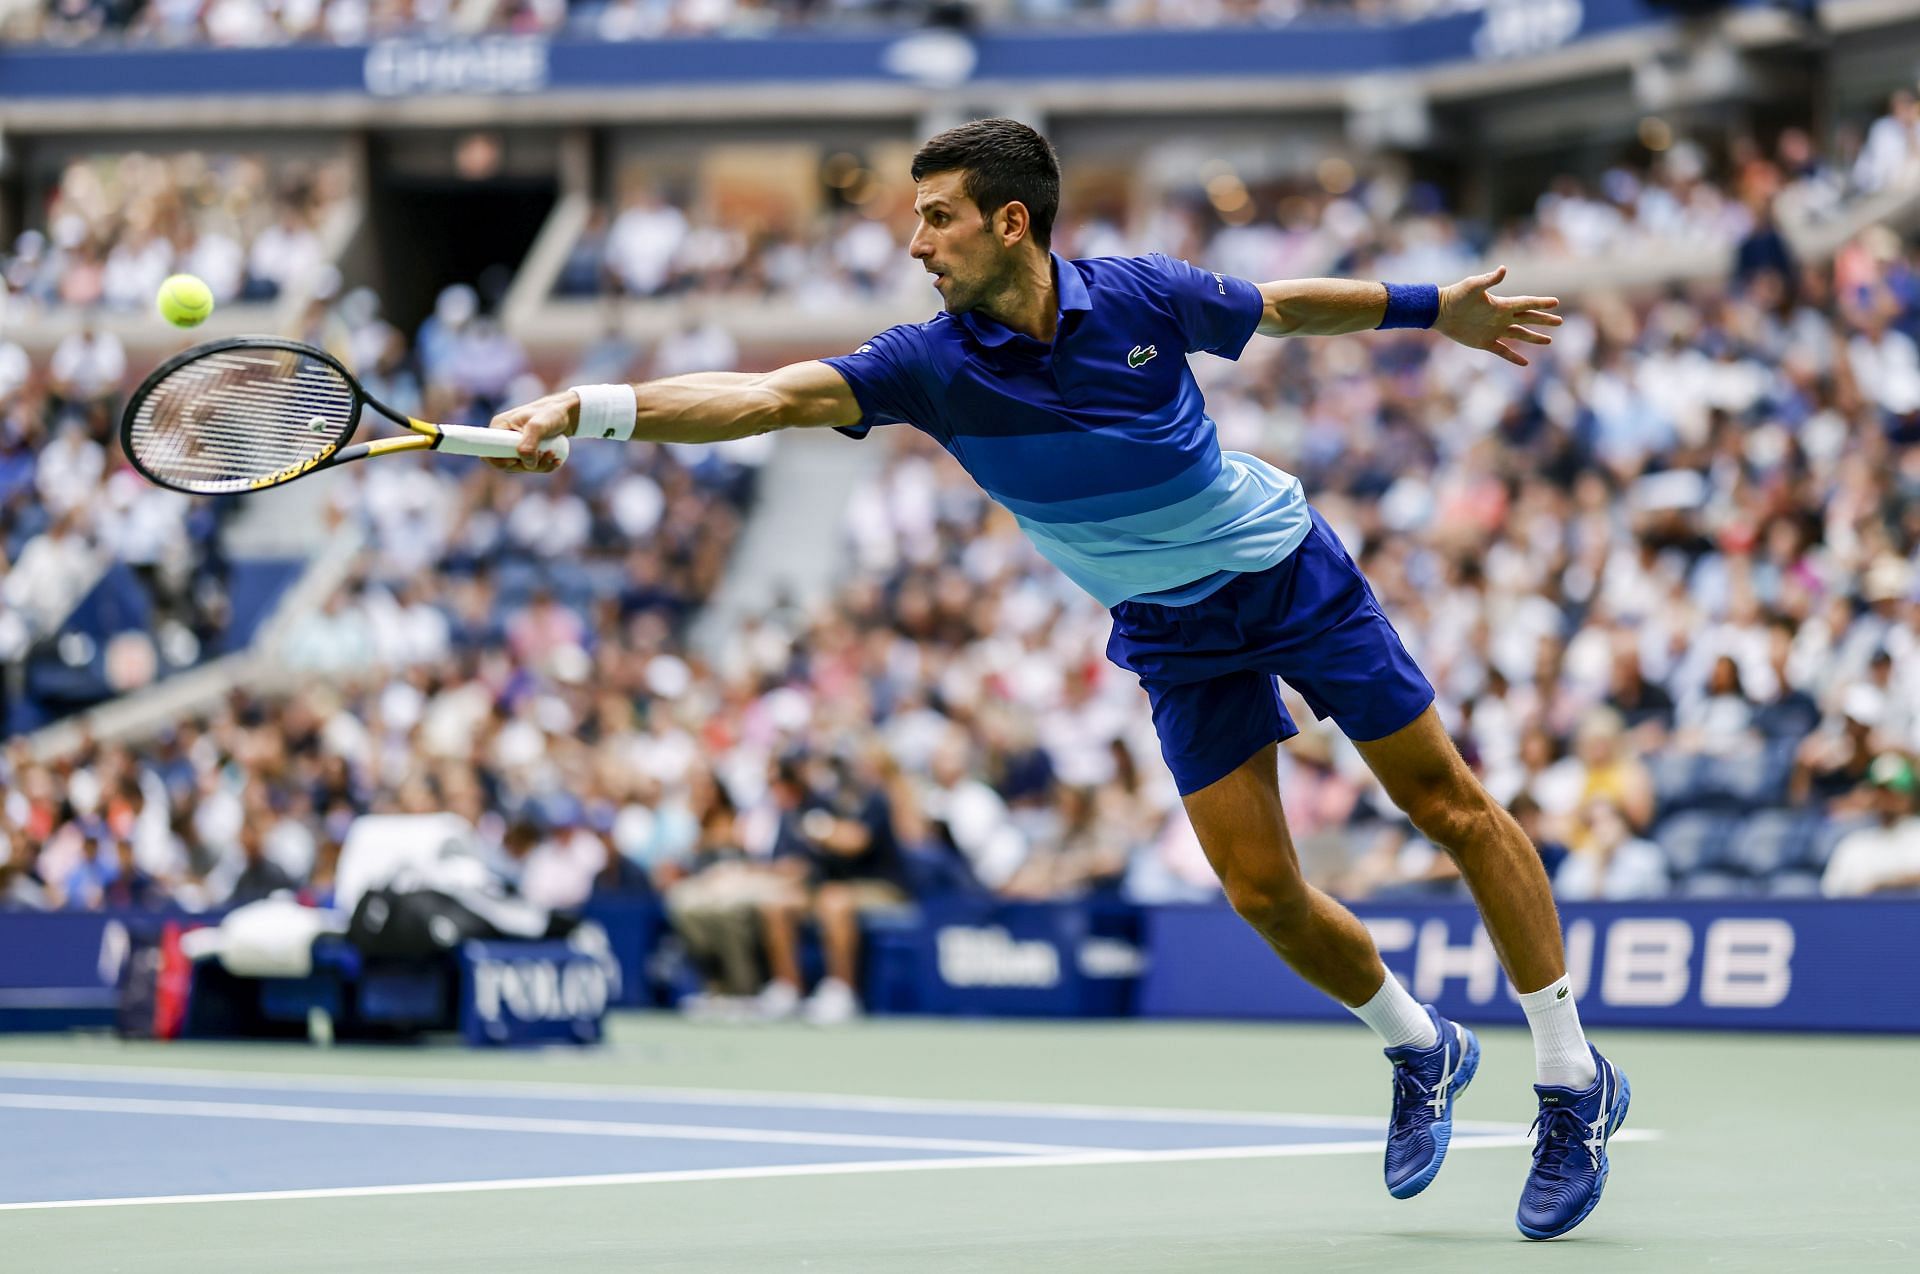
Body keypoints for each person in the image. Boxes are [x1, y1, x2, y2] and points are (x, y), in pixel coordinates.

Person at [487, 118, 1626, 1239]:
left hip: (1284, 572)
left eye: (938, 219)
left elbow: (1281, 307)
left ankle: (1572, 1079)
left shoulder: (1139, 297)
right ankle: (1421, 1043)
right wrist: (587, 411)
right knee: (1262, 891)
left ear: (1011, 221)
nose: (918, 244)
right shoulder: (925, 366)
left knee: (1448, 804)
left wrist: (1437, 311)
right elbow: (769, 396)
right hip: (1172, 633)